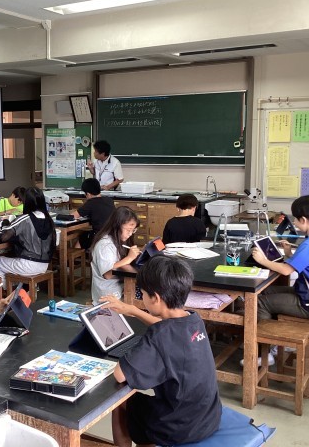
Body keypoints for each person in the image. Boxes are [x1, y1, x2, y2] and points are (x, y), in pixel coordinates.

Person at [102, 255, 221, 447]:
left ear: (155, 298)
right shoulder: (194, 320)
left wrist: (135, 350)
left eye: (142, 294)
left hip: (178, 428)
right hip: (208, 417)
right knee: (144, 405)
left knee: (121, 402)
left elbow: (120, 374)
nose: (141, 298)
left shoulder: (159, 335)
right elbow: (168, 327)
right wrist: (133, 310)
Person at [253, 194, 309, 323]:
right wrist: (289, 254)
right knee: (264, 290)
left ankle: (266, 335)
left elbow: (286, 270)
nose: (294, 222)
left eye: (295, 218)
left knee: (260, 302)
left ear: (303, 220)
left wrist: (262, 260)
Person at [0, 187, 56, 284]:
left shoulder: (25, 218)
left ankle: (6, 290)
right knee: (14, 259)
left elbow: (3, 236)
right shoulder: (48, 219)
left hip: (28, 265)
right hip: (44, 265)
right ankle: (19, 288)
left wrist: (4, 221)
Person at [90, 206, 141, 304]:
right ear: (116, 226)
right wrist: (129, 258)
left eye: (133, 230)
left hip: (120, 287)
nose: (130, 234)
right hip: (109, 294)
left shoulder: (118, 240)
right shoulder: (104, 245)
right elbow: (108, 274)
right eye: (128, 230)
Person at [72, 178, 115, 250]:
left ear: (88, 194)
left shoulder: (91, 202)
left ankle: (76, 256)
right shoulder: (109, 200)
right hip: (112, 234)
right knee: (86, 235)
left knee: (82, 237)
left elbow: (73, 216)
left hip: (99, 236)